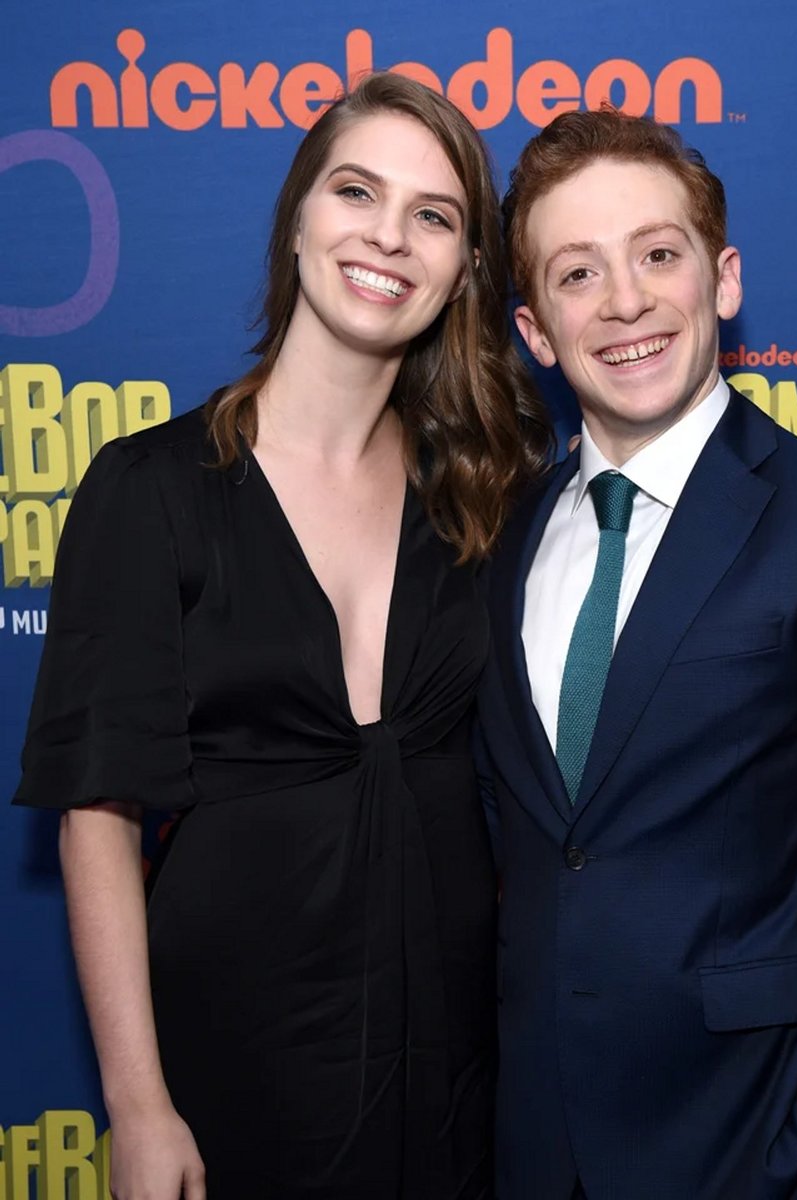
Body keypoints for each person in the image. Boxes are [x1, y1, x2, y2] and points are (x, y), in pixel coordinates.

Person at [14, 72, 549, 1200]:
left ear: (464, 271)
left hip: (456, 1056)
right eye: (357, 192)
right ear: (298, 217)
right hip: (234, 1053)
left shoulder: (487, 496)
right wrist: (138, 1107)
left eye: (435, 216)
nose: (389, 238)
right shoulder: (149, 488)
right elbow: (97, 817)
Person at [475, 107, 797, 1200]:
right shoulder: (505, 535)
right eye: (577, 274)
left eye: (658, 255)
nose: (626, 302)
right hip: (529, 1143)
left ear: (723, 278)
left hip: (754, 1140)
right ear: (536, 332)